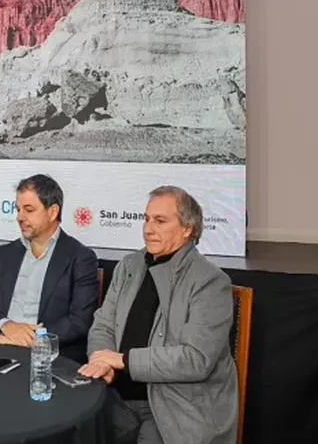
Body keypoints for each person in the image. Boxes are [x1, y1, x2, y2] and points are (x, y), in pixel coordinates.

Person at [79, 186, 237, 444]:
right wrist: (101, 361)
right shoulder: (128, 266)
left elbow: (196, 359)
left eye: (160, 221)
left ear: (187, 229)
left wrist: (122, 360)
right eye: (146, 219)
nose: (148, 229)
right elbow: (103, 325)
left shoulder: (210, 282)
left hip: (176, 407)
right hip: (117, 395)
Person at [0, 174, 99, 362]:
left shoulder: (80, 257)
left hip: (49, 357)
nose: (19, 217)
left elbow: (80, 321)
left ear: (53, 212)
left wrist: (32, 340)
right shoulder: (6, 253)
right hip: (0, 348)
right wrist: (7, 326)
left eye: (29, 210)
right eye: (18, 209)